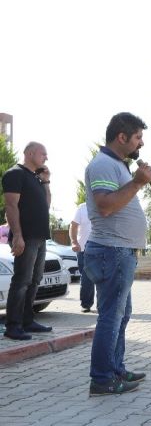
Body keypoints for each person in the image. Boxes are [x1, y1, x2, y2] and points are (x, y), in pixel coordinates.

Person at [84, 112, 151, 396]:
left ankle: (115, 370)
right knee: (111, 317)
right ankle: (101, 379)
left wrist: (135, 179)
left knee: (121, 316)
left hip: (120, 252)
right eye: (137, 137)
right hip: (111, 251)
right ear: (121, 137)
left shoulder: (118, 165)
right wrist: (137, 183)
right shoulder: (102, 165)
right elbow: (105, 206)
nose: (141, 143)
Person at [1, 142, 53, 340]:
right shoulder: (14, 174)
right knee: (21, 281)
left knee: (35, 280)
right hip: (26, 237)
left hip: (40, 237)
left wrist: (46, 182)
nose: (46, 158)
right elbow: (11, 206)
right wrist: (18, 236)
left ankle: (27, 321)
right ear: (30, 153)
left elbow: (46, 205)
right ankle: (13, 326)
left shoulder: (36, 178)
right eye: (43, 153)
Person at [70, 202, 94, 312]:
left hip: (103, 248)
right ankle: (86, 304)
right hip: (83, 248)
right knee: (86, 278)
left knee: (103, 278)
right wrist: (74, 242)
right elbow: (73, 225)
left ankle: (103, 305)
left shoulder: (105, 204)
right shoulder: (82, 208)